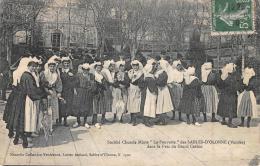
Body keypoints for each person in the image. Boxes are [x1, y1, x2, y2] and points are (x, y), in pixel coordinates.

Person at [20, 57, 46, 148]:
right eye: (32, 66)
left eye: (35, 66)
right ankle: (27, 137)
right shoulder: (27, 75)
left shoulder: (32, 74)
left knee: (32, 116)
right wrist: (40, 95)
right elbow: (31, 89)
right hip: (29, 99)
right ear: (28, 66)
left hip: (32, 98)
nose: (34, 68)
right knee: (29, 117)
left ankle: (30, 133)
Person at [3, 57, 30, 141]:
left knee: (12, 113)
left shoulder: (15, 72)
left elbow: (12, 83)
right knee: (20, 114)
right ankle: (20, 133)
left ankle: (11, 131)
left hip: (14, 94)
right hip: (22, 95)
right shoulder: (26, 74)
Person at [40, 58, 62, 133]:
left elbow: (59, 84)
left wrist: (59, 92)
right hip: (45, 93)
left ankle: (50, 126)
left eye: (53, 66)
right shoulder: (44, 73)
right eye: (50, 66)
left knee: (52, 109)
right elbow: (41, 84)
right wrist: (47, 91)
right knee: (45, 110)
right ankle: (44, 125)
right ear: (48, 66)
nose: (52, 68)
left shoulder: (56, 75)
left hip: (53, 93)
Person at [72, 63, 95, 128]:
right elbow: (75, 84)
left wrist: (90, 89)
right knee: (78, 106)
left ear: (89, 70)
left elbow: (93, 84)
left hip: (87, 92)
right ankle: (78, 121)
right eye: (84, 69)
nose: (86, 71)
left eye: (87, 69)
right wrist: (75, 90)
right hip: (80, 92)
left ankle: (85, 122)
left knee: (86, 106)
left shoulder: (91, 75)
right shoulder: (78, 75)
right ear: (82, 69)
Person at [217, 63, 240, 128]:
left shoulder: (224, 75)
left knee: (224, 106)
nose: (234, 69)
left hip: (224, 93)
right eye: (234, 68)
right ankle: (230, 122)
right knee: (231, 107)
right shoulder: (232, 77)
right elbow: (234, 86)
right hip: (231, 94)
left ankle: (223, 120)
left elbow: (219, 85)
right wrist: (237, 90)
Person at [154, 60, 174, 125]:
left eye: (159, 65)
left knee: (162, 105)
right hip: (160, 90)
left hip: (162, 90)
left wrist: (155, 80)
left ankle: (163, 120)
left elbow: (160, 83)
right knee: (159, 105)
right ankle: (160, 119)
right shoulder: (158, 73)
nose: (158, 66)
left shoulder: (163, 73)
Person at [59, 57, 77, 126]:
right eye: (64, 63)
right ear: (62, 64)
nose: (66, 65)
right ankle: (59, 119)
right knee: (61, 105)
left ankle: (65, 120)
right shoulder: (60, 71)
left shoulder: (72, 71)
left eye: (67, 63)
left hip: (69, 90)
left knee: (68, 105)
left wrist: (72, 78)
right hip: (62, 90)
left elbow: (75, 81)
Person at [127, 60, 144, 126]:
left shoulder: (140, 72)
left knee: (136, 104)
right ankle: (131, 119)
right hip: (131, 89)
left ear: (138, 66)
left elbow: (140, 81)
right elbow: (129, 79)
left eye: (136, 65)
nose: (135, 67)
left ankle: (134, 120)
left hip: (137, 89)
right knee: (131, 103)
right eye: (133, 65)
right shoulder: (130, 72)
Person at [142, 59, 157, 127]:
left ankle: (147, 120)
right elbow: (151, 87)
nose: (153, 69)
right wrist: (154, 91)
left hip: (149, 93)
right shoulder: (149, 77)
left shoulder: (149, 76)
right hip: (149, 93)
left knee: (149, 106)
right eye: (152, 68)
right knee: (148, 106)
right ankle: (146, 120)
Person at [92, 62, 106, 129]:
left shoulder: (102, 75)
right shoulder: (93, 75)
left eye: (100, 68)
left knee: (100, 105)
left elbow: (104, 84)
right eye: (97, 68)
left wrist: (102, 85)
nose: (99, 69)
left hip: (101, 92)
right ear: (95, 68)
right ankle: (94, 120)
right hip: (95, 92)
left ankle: (101, 119)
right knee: (95, 106)